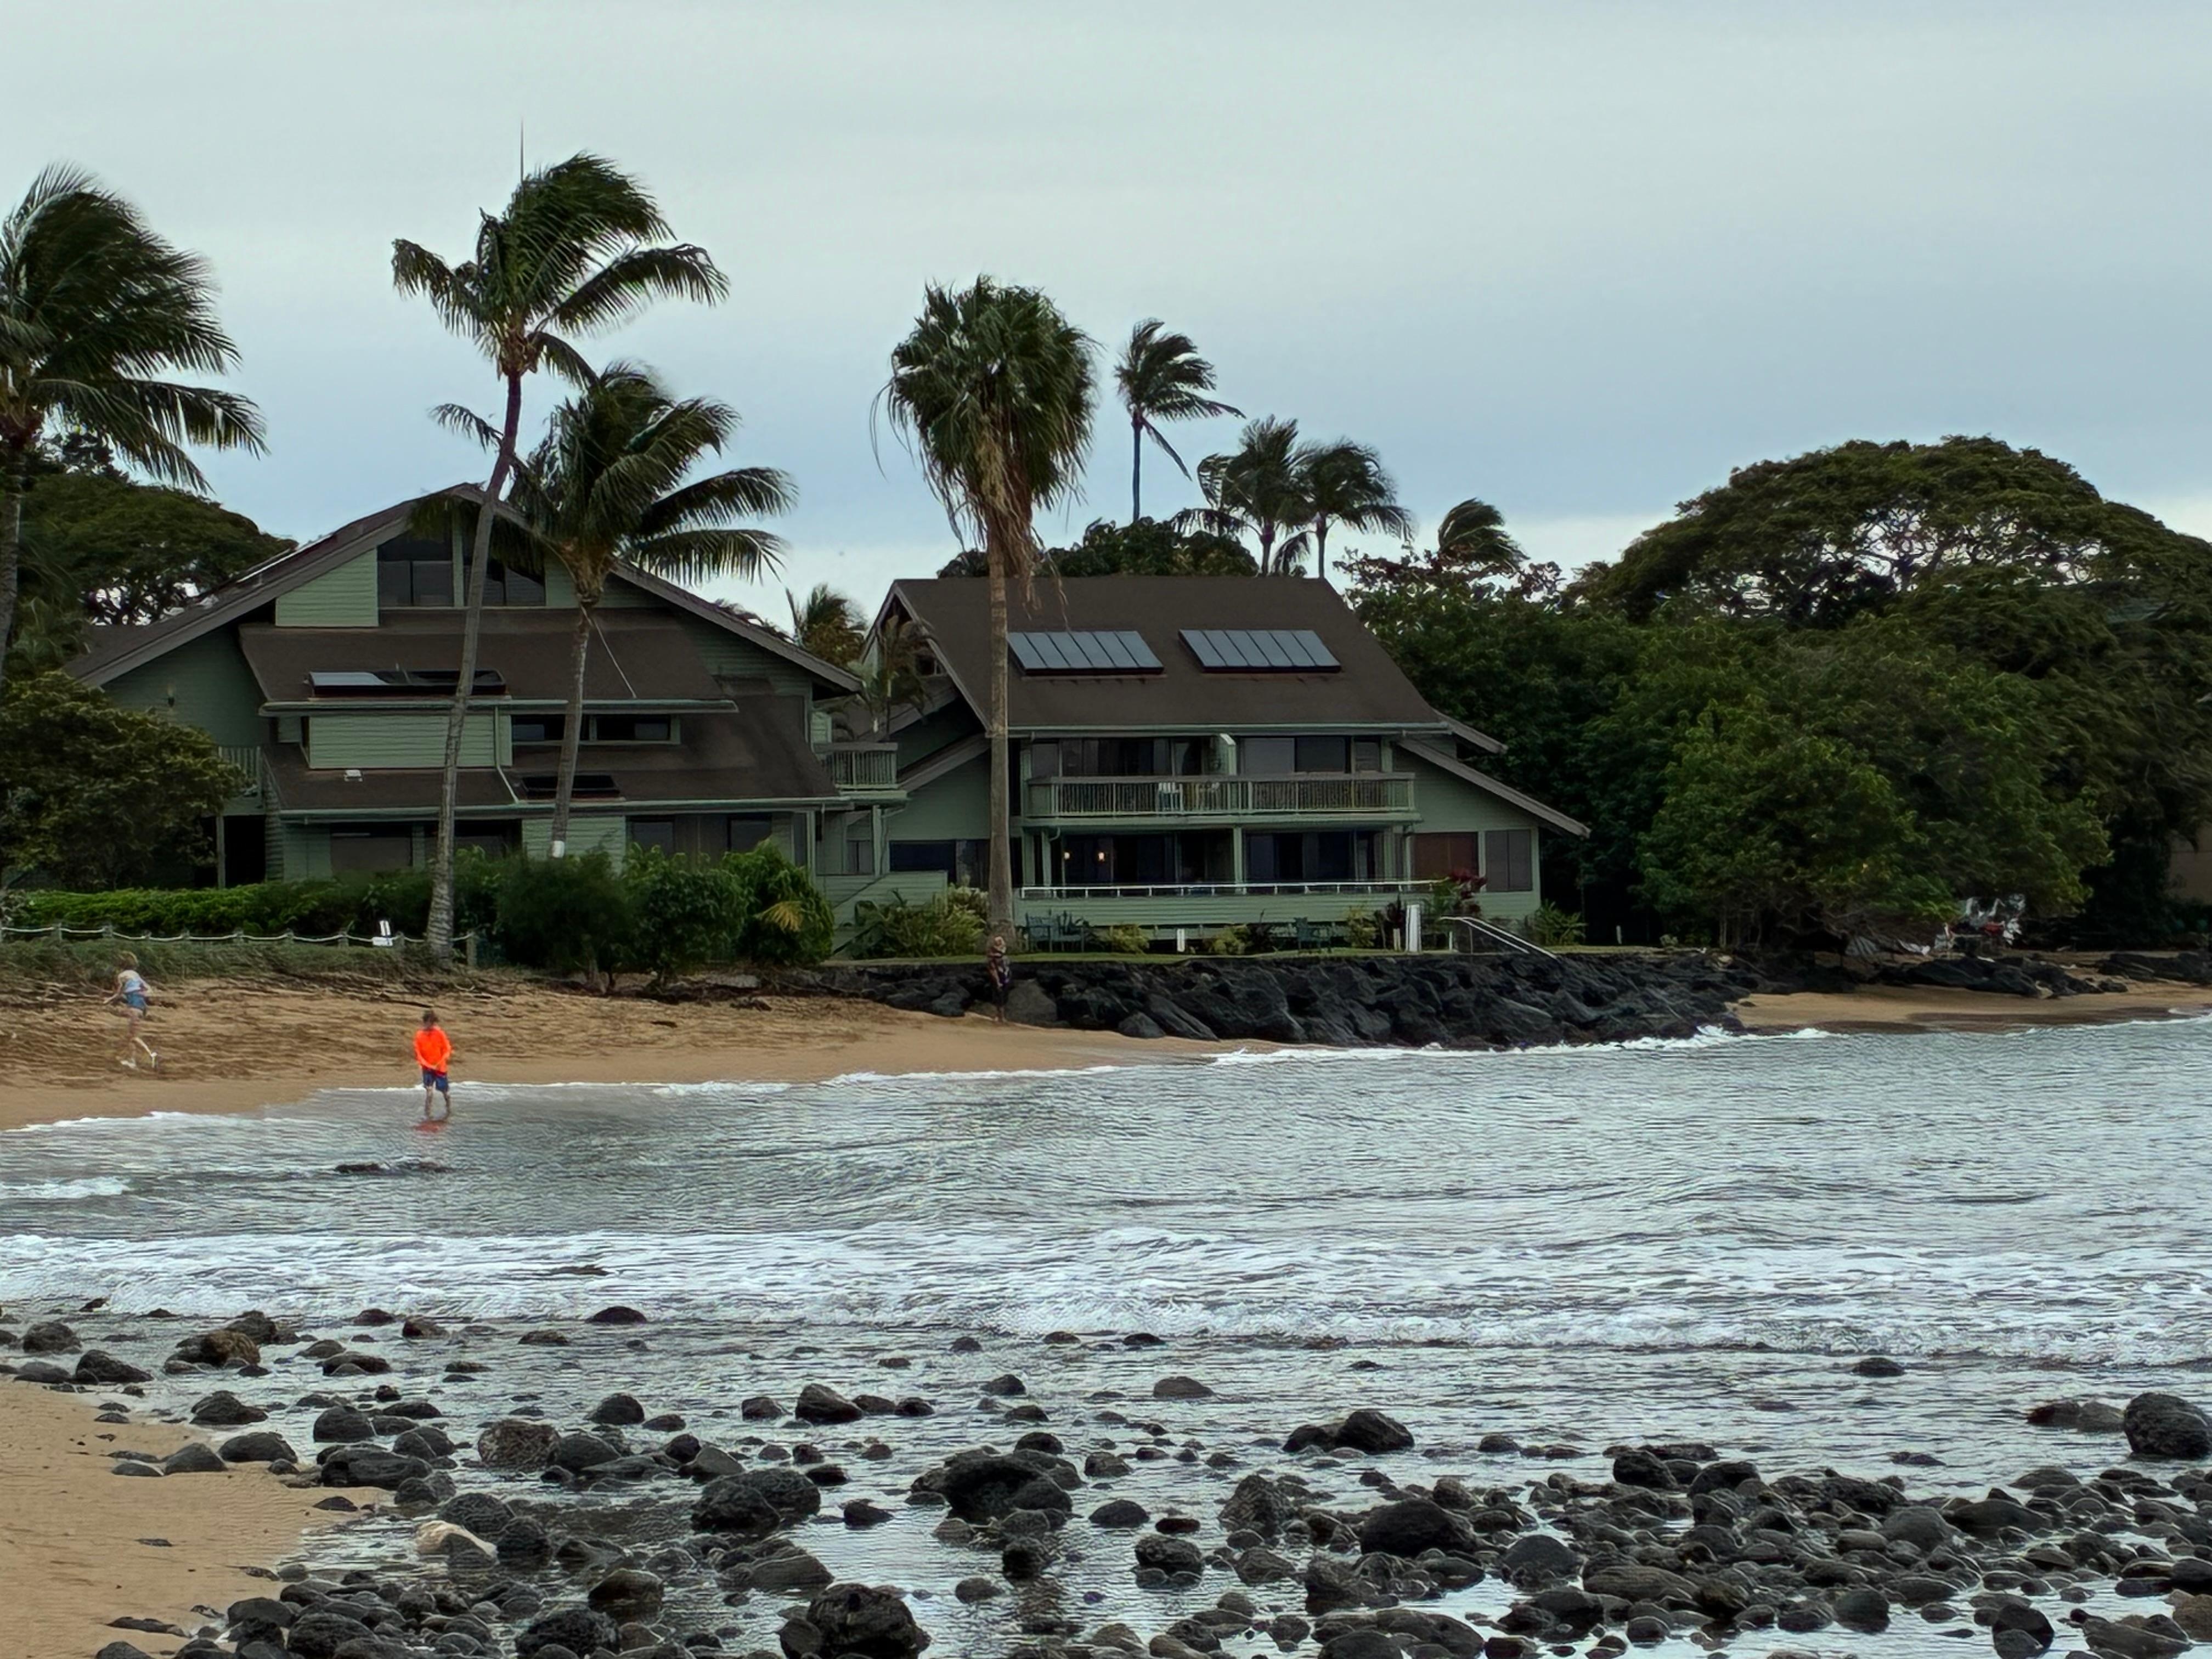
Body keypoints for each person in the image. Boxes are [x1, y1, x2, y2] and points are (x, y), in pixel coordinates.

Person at [105, 953, 158, 1071]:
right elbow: (149, 989)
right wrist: (140, 995)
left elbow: (119, 993)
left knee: (133, 1037)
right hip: (141, 1006)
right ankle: (132, 1060)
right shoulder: (135, 975)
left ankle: (151, 1055)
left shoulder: (121, 976)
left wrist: (109, 1000)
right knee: (131, 1036)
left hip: (134, 1006)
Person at [413, 1009, 454, 1122]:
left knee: (445, 1091)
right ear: (425, 1022)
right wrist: (428, 1065)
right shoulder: (419, 1035)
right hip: (427, 1068)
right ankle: (428, 1113)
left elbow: (447, 1049)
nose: (432, 1026)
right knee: (429, 1091)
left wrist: (439, 1063)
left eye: (433, 1023)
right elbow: (418, 1054)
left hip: (440, 1067)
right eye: (430, 1023)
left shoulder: (439, 1033)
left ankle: (449, 1109)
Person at [985, 934, 1012, 1023]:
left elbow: (1007, 969)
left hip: (1005, 978)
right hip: (998, 979)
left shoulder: (1005, 958)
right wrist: (997, 982)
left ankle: (1002, 1016)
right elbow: (993, 971)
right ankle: (998, 1015)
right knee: (998, 996)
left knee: (1003, 997)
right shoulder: (992, 959)